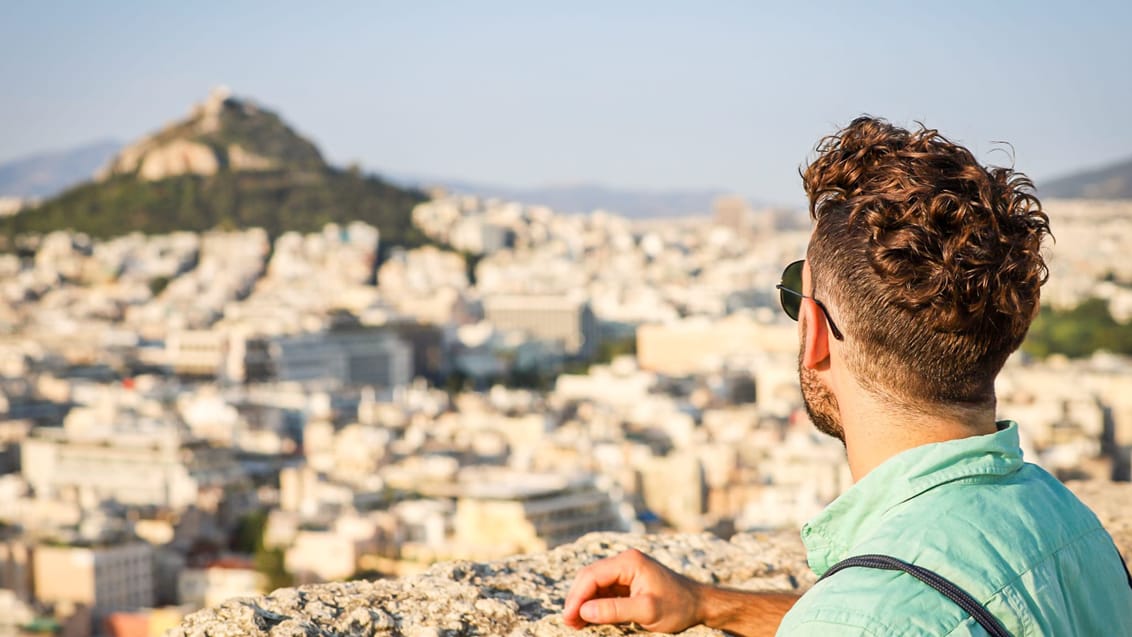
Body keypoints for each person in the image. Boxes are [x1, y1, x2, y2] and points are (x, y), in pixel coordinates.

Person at [562, 117, 1132, 636]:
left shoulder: (867, 613)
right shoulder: (1069, 524)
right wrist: (711, 603)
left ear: (813, 333)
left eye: (795, 293)